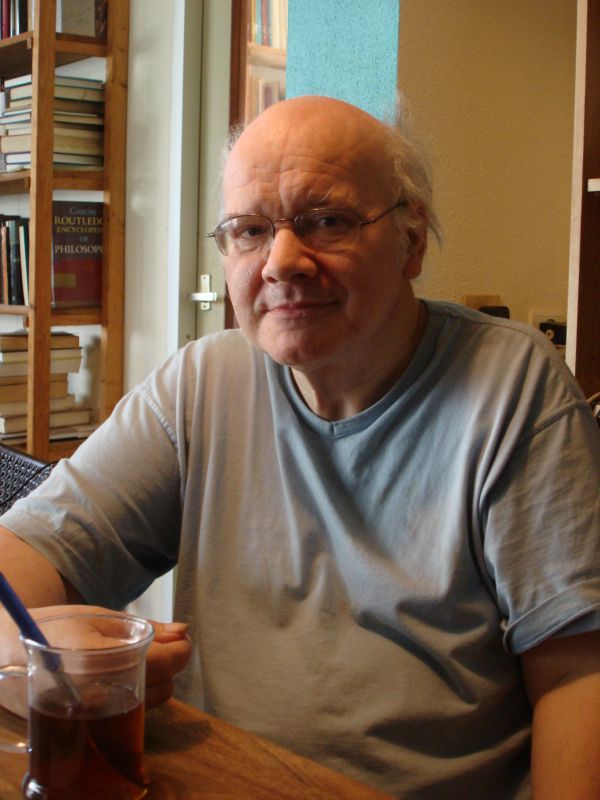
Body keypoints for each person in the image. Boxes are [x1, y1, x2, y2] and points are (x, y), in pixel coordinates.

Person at [1, 95, 599, 800]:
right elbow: (23, 560)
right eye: (250, 230)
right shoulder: (202, 383)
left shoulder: (513, 387)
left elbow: (577, 676)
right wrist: (38, 654)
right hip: (216, 780)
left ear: (411, 241)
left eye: (328, 221)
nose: (282, 261)